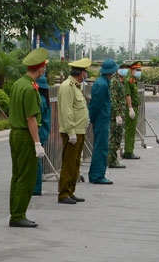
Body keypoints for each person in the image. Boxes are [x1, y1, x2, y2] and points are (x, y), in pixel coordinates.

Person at [8, 48, 48, 227]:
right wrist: (37, 143)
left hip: (14, 134)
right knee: (27, 176)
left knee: (17, 174)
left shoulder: (18, 84)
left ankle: (15, 211)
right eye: (44, 68)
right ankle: (18, 215)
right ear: (40, 70)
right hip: (25, 135)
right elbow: (31, 118)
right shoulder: (31, 89)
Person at [57, 58, 92, 204]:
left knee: (75, 163)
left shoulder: (76, 86)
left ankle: (71, 191)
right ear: (81, 73)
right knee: (69, 163)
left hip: (79, 130)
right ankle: (64, 193)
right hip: (72, 132)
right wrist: (71, 131)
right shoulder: (68, 86)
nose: (86, 75)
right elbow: (66, 111)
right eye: (86, 72)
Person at [88, 59, 117, 184]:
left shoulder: (103, 82)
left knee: (100, 146)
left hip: (102, 118)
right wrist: (92, 118)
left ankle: (95, 173)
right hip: (101, 119)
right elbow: (96, 104)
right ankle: (98, 175)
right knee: (101, 147)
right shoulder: (102, 84)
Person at [33, 73, 52, 196]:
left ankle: (35, 187)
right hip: (43, 132)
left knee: (35, 162)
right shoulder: (44, 98)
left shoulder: (39, 99)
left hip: (39, 132)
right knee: (37, 161)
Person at [108, 62, 129, 169]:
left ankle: (113, 158)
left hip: (121, 113)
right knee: (114, 138)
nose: (125, 71)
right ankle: (111, 160)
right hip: (115, 114)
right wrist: (116, 114)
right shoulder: (114, 81)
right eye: (123, 68)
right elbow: (113, 99)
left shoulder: (122, 81)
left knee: (118, 137)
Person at [122, 61, 142, 160]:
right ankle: (128, 152)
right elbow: (128, 95)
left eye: (140, 70)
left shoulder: (134, 80)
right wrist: (130, 108)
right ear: (131, 70)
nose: (139, 72)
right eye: (137, 70)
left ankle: (129, 150)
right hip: (131, 107)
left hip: (134, 107)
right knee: (130, 131)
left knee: (132, 130)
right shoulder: (128, 80)